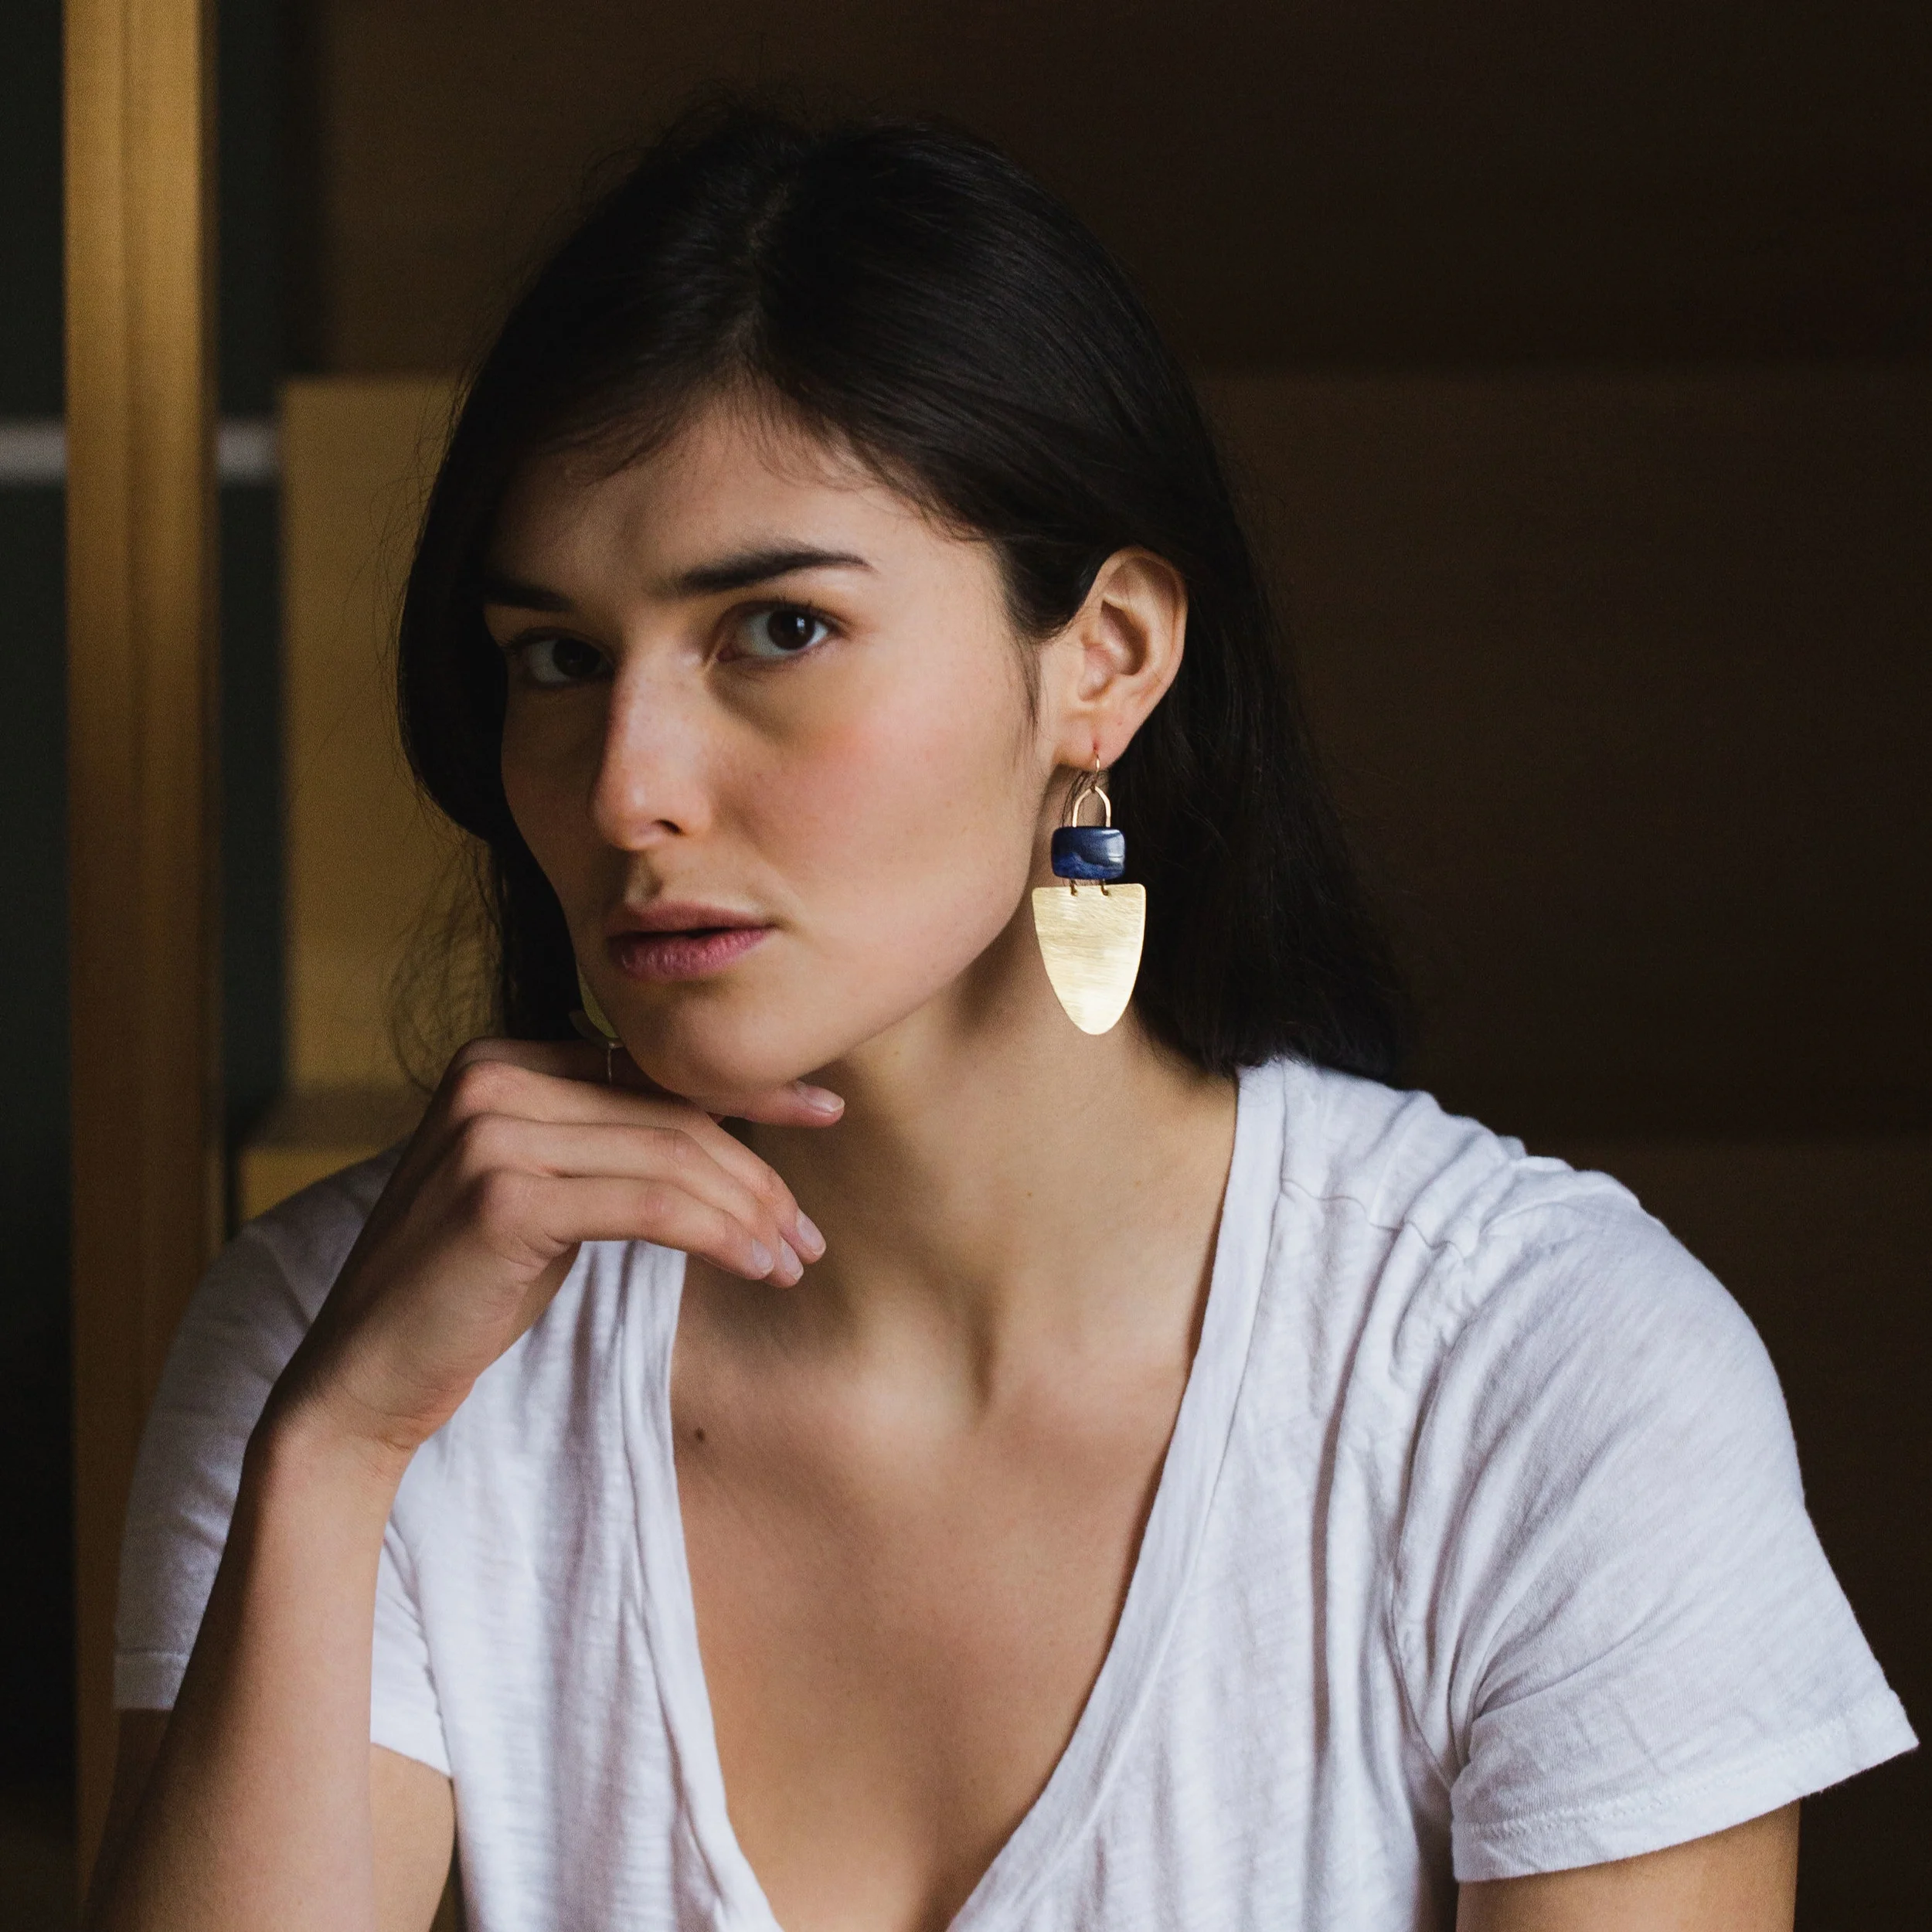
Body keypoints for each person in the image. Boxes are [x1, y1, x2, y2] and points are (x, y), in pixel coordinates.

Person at [88, 103, 1912, 1932]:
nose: (625, 786)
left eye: (776, 628)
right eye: (556, 657)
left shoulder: (1541, 1377)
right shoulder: (348, 1353)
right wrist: (335, 1456)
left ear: (1103, 658)